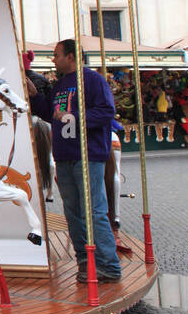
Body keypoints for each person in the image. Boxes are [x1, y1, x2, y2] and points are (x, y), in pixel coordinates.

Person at [25, 40, 121, 284]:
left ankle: (108, 265)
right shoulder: (60, 85)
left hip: (86, 154)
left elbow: (106, 112)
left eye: (57, 55)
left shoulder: (93, 80)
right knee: (73, 212)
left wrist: (73, 117)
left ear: (70, 56)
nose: (53, 60)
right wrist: (35, 96)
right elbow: (50, 113)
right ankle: (84, 261)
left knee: (94, 211)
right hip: (65, 154)